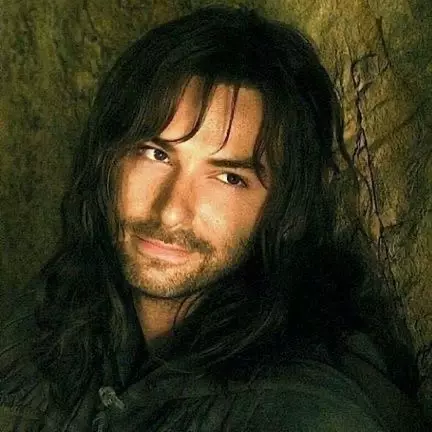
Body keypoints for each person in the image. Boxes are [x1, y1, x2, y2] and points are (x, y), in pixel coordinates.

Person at [0, 5, 427, 431]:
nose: (171, 210)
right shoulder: (45, 326)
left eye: (228, 177)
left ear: (284, 209)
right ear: (106, 160)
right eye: (156, 154)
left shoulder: (302, 413)